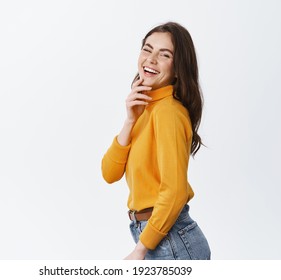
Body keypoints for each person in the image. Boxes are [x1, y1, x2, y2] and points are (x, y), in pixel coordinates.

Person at [101, 22, 211, 260]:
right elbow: (109, 173)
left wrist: (141, 248)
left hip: (170, 240)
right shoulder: (145, 109)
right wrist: (130, 121)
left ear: (178, 68)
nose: (151, 59)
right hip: (159, 236)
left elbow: (175, 192)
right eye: (147, 49)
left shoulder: (168, 112)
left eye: (165, 55)